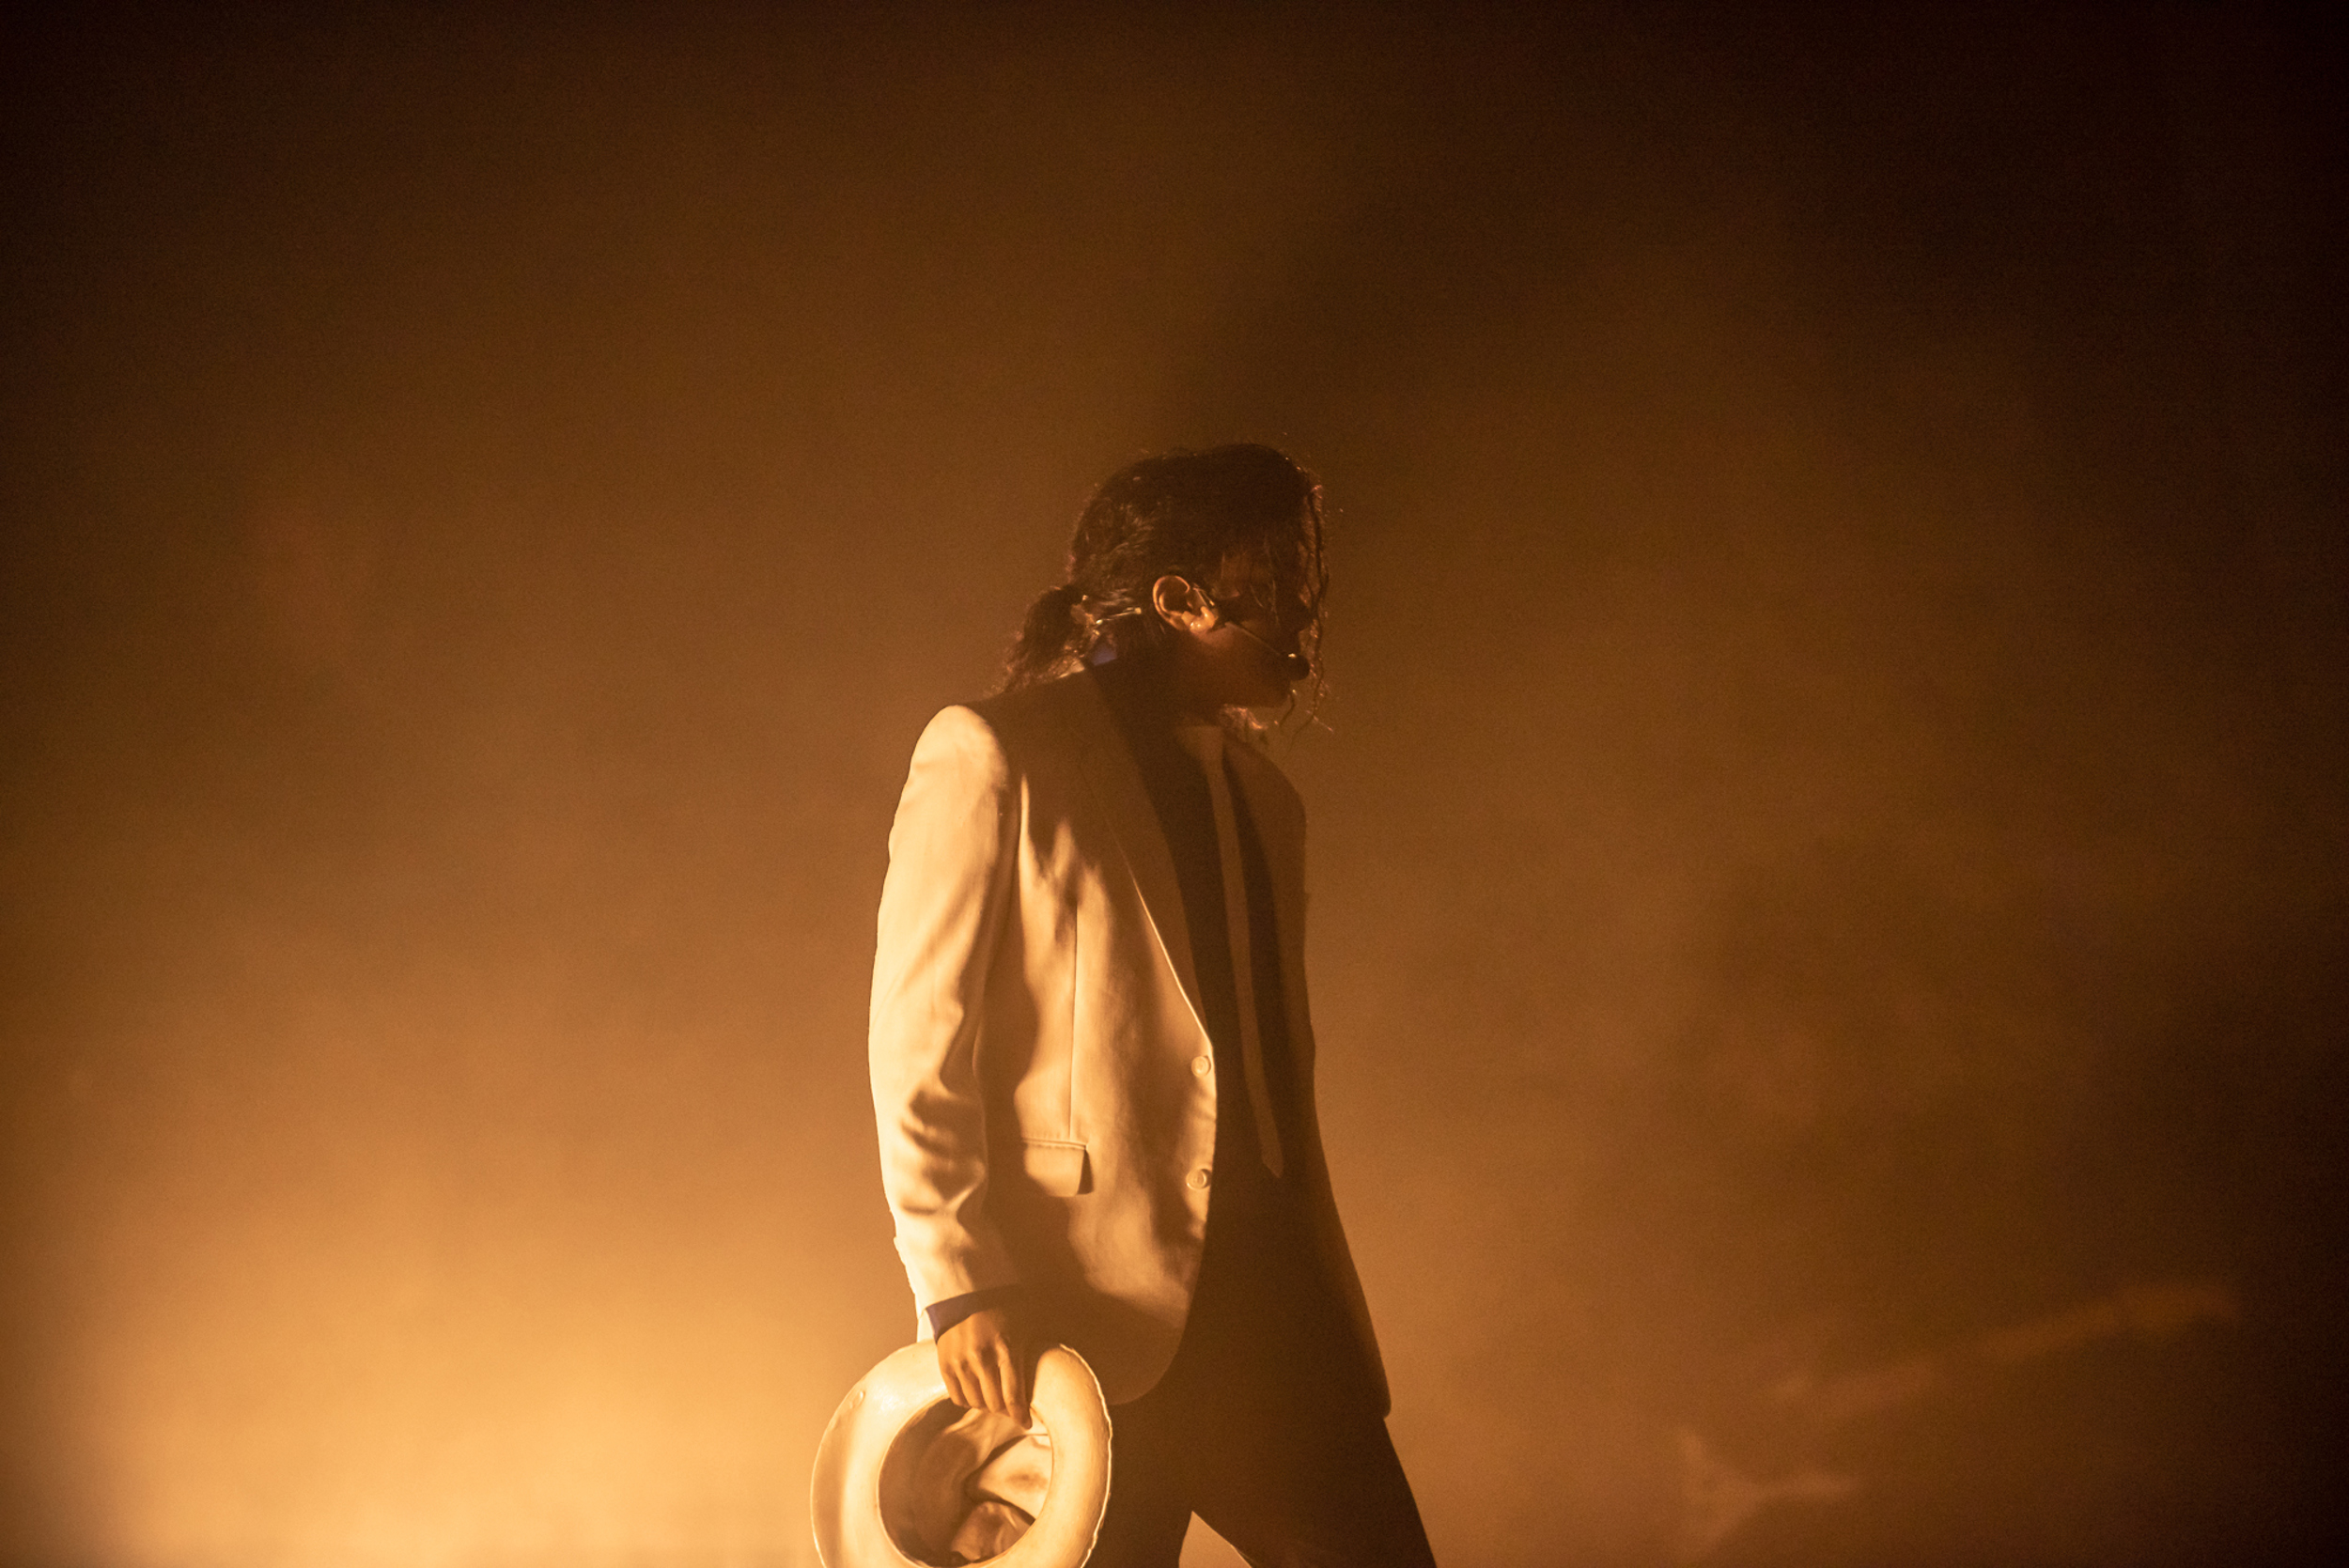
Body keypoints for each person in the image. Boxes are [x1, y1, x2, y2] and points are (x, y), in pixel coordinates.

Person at [868, 444, 1437, 1565]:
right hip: (1075, 1327)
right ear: (1178, 599)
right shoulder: (991, 751)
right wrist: (960, 1282)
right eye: (1277, 576)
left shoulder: (1268, 800)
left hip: (1270, 1326)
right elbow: (917, 1042)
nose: (1305, 610)